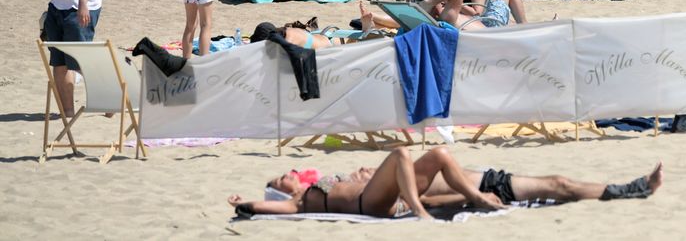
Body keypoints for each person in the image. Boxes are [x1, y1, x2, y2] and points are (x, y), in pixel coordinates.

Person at [227, 146, 662, 219]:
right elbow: (268, 210)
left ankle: (628, 189)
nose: (288, 175)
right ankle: (628, 189)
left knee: (559, 183)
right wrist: (246, 203)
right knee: (410, 155)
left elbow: (443, 195)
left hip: (481, 181)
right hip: (386, 203)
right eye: (280, 178)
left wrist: (470, 196)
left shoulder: (316, 187)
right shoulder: (299, 203)